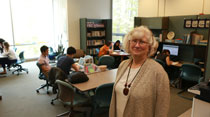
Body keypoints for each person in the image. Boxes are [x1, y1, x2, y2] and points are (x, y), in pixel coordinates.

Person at [109, 26, 170, 117]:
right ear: (129, 43)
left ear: (149, 46)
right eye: (134, 41)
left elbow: (162, 107)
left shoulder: (158, 72)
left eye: (142, 42)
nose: (137, 45)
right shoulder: (123, 65)